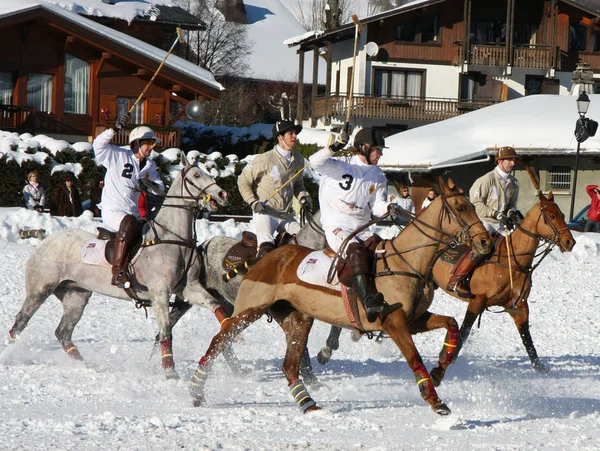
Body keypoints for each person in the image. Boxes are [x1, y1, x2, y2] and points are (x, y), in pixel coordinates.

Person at [309, 127, 389, 322]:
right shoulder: (340, 165)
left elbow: (377, 207)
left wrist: (389, 207)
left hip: (362, 228)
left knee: (381, 249)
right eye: (377, 149)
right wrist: (335, 147)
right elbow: (314, 162)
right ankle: (368, 302)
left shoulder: (378, 175)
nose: (381, 154)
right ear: (364, 148)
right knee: (355, 251)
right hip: (337, 225)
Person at [93, 115, 165, 288]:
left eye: (152, 143)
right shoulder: (117, 155)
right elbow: (98, 145)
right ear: (136, 143)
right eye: (148, 143)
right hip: (113, 211)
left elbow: (160, 187)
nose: (151, 147)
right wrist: (113, 129)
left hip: (132, 214)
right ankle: (118, 271)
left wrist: (150, 185)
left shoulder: (150, 166)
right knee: (129, 223)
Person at [446, 146, 522, 297]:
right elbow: (476, 202)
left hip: (501, 223)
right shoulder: (487, 179)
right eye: (509, 160)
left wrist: (511, 213)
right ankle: (457, 280)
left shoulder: (514, 183)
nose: (512, 163)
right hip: (484, 221)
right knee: (482, 246)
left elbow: (512, 205)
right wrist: (494, 213)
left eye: (513, 160)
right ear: (499, 161)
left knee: (515, 248)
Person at [237, 119, 310, 258]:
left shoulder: (299, 159)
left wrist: (302, 196)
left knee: (306, 242)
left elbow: (298, 184)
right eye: (291, 133)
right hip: (266, 213)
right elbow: (243, 181)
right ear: (280, 137)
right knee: (266, 251)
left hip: (287, 215)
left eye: (295, 133)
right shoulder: (264, 159)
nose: (295, 136)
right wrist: (253, 202)